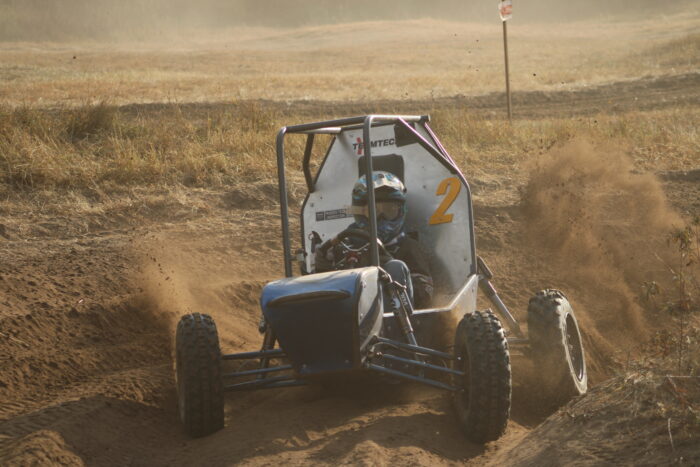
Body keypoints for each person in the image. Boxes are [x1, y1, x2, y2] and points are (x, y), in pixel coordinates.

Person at [315, 171, 433, 309]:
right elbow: (319, 299)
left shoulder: (409, 247)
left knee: (396, 266)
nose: (381, 218)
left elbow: (424, 298)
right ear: (360, 212)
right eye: (373, 211)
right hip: (345, 320)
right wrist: (321, 268)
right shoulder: (341, 246)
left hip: (392, 320)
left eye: (389, 210)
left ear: (400, 211)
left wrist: (388, 269)